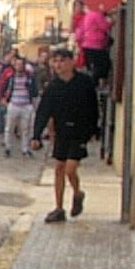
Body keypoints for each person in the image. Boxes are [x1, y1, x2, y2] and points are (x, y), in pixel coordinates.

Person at [32, 47, 101, 223]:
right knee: (59, 168)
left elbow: (93, 108)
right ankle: (59, 207)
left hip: (79, 132)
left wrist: (93, 130)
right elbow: (43, 111)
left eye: (62, 60)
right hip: (61, 131)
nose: (58, 64)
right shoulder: (53, 87)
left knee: (71, 169)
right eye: (55, 61)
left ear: (71, 62)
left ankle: (78, 193)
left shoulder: (84, 82)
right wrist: (36, 135)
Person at [0, 53, 39, 158]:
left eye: (21, 64)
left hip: (26, 105)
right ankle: (8, 147)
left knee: (25, 129)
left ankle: (25, 149)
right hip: (14, 104)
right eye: (17, 64)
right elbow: (3, 88)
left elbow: (34, 91)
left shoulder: (29, 78)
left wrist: (32, 104)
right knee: (9, 127)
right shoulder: (11, 78)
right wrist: (3, 99)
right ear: (14, 66)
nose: (19, 66)